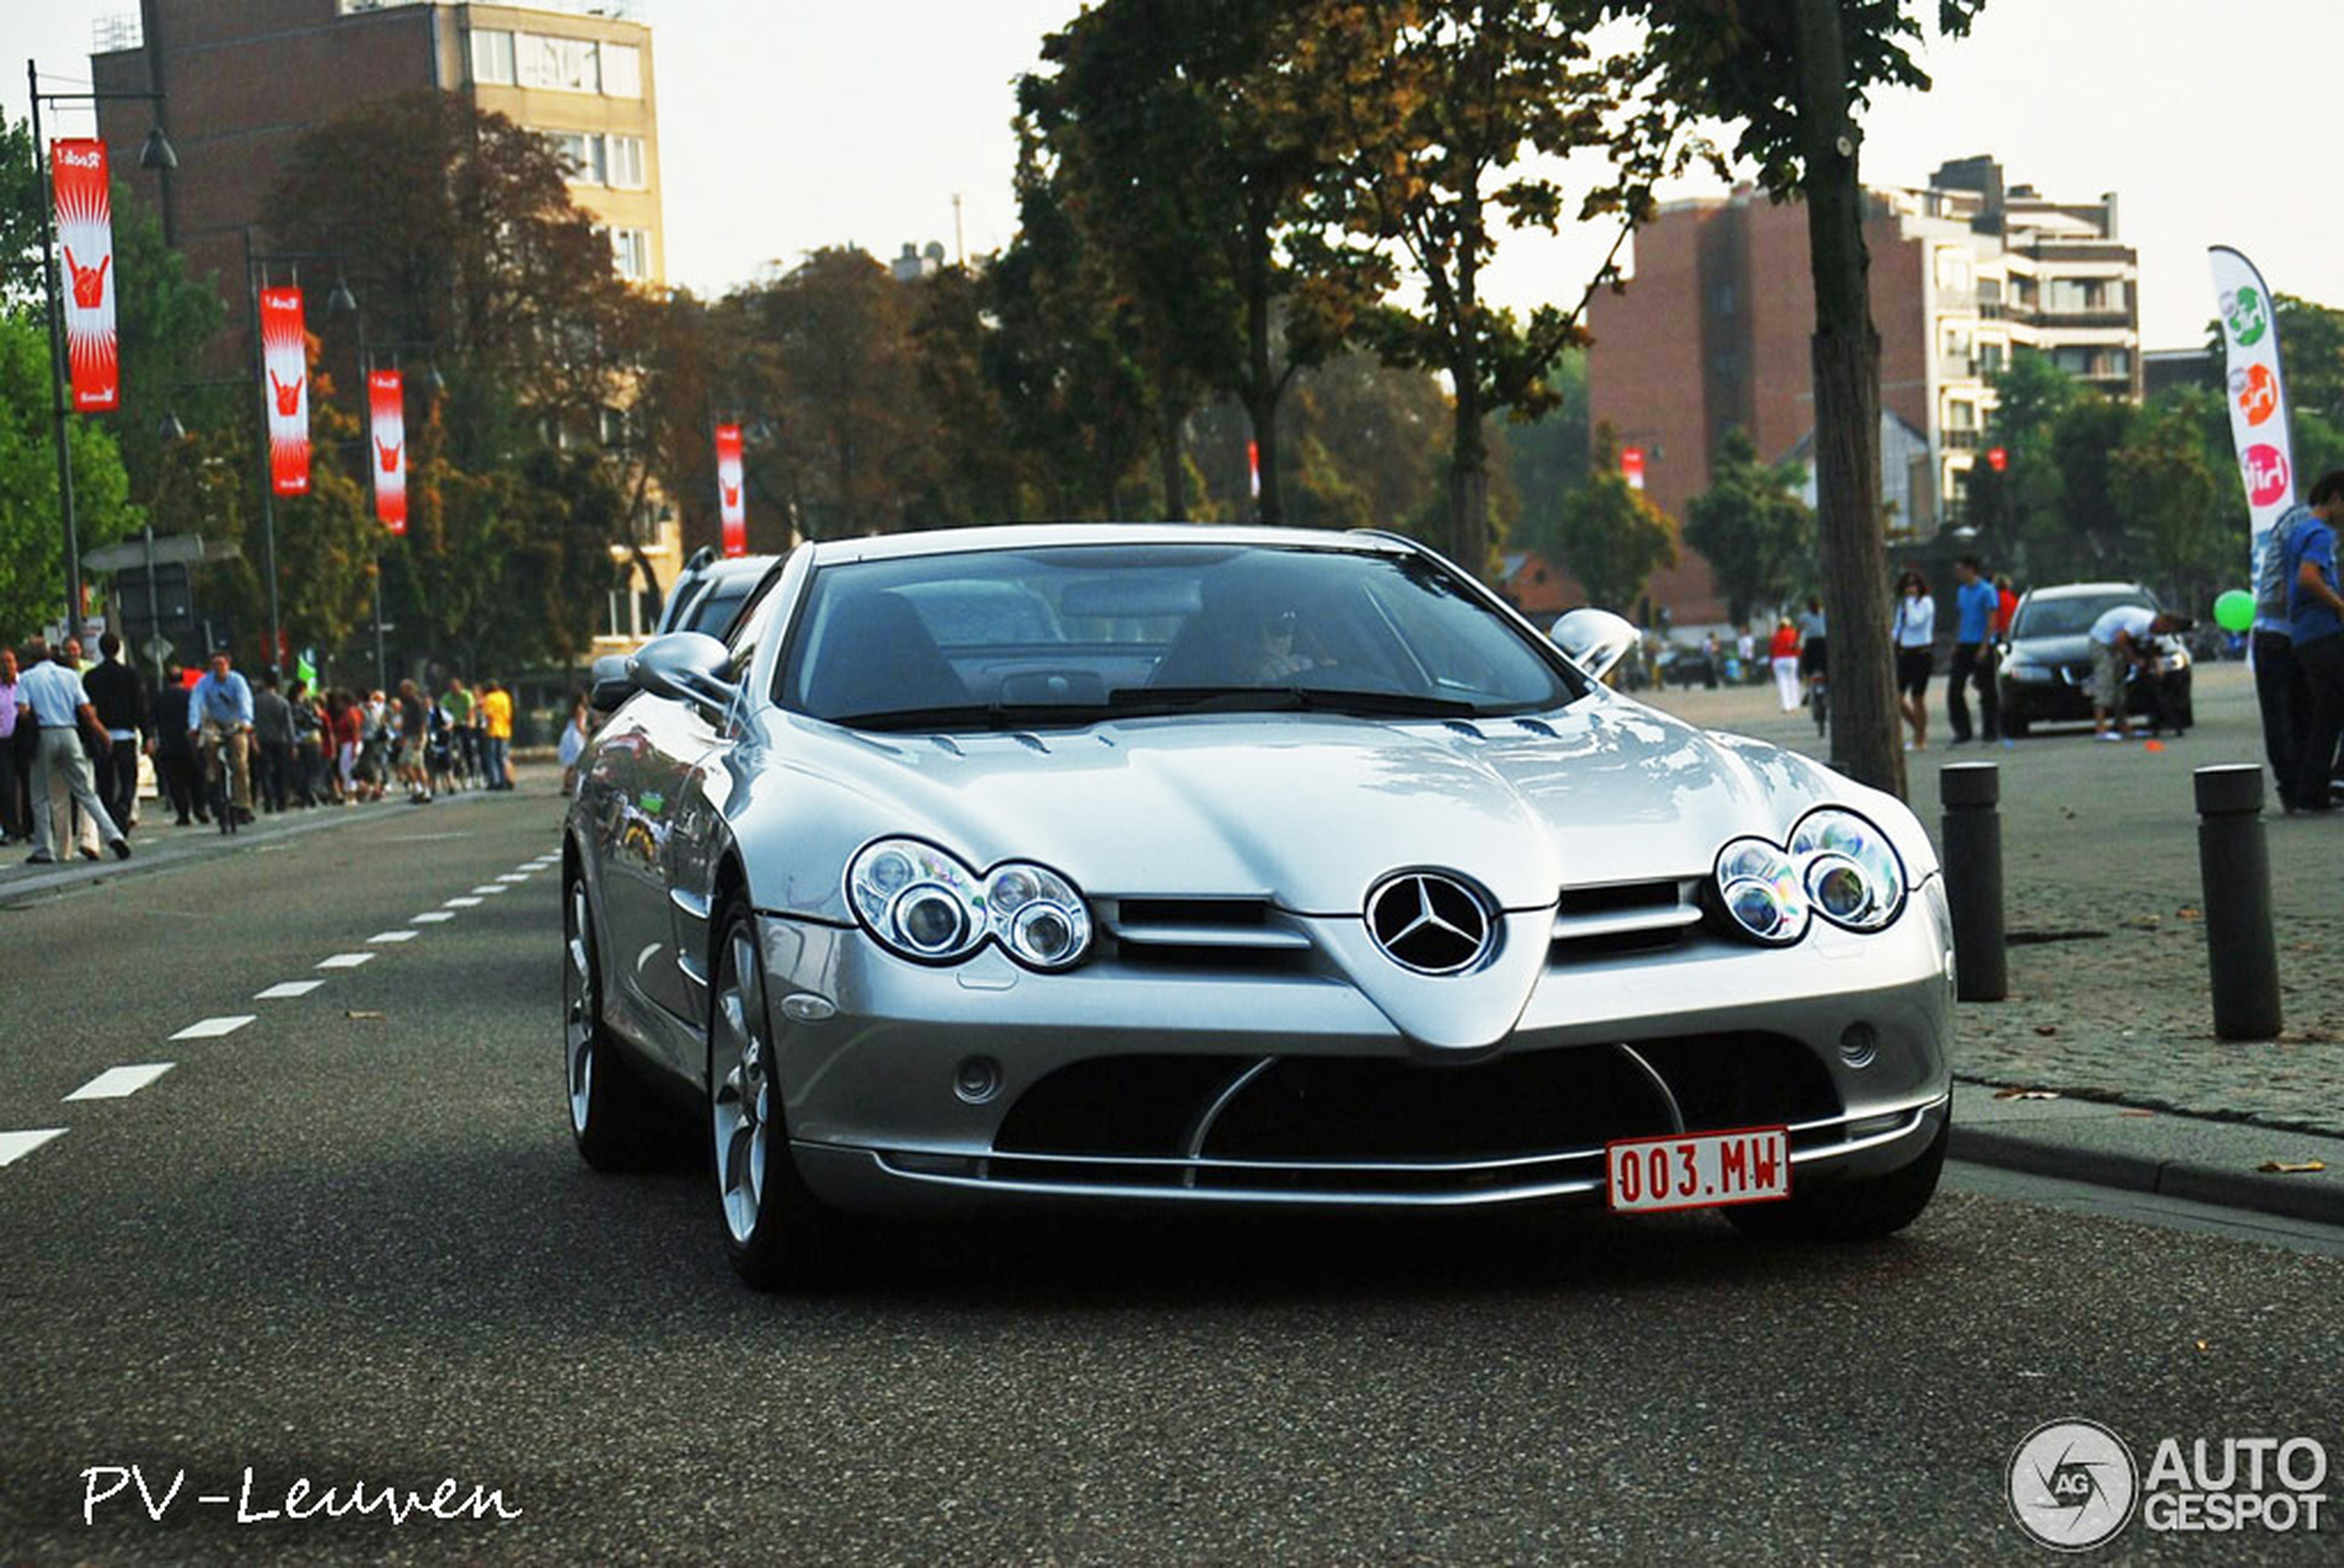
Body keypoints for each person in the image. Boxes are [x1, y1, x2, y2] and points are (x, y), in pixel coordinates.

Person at [14, 643, 128, 864]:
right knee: (86, 792)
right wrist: (103, 735)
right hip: (70, 733)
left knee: (40, 796)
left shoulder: (27, 678)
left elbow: (23, 711)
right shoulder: (69, 676)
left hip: (44, 736)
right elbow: (86, 710)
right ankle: (114, 835)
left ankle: (44, 848)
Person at [2281, 472, 2344, 810]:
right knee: (2330, 712)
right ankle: (2321, 786)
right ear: (2335, 498)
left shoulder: (2298, 530)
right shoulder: (2320, 533)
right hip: (2323, 633)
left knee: (2328, 714)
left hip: (2305, 634)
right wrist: (2339, 606)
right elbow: (2308, 577)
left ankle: (2314, 791)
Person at [2088, 604, 2193, 743]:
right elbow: (2120, 639)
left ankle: (2124, 728)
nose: (2165, 634)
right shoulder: (2140, 623)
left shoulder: (2152, 627)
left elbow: (2151, 648)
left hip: (2116, 644)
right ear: (2162, 623)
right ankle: (2100, 730)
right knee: (2106, 682)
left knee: (2120, 686)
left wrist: (2156, 666)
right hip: (2102, 641)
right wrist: (2135, 660)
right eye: (2166, 631)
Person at [81, 633, 146, 832]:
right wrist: (147, 733)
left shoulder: (91, 677)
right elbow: (139, 705)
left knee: (105, 781)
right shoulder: (131, 675)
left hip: (102, 735)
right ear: (118, 649)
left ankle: (111, 817)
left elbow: (86, 709)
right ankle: (124, 805)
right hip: (126, 734)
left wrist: (87, 736)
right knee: (129, 779)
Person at [187, 648, 256, 823]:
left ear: (228, 665)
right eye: (215, 665)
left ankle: (243, 805)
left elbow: (245, 702)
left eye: (222, 664)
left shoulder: (237, 681)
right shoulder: (204, 682)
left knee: (240, 763)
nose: (218, 668)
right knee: (209, 745)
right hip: (214, 722)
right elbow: (196, 702)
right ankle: (214, 785)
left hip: (235, 722)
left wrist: (246, 722)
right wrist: (194, 726)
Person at [1945, 555, 2001, 745]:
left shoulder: (1987, 590)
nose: (1957, 573)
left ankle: (1990, 731)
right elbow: (1962, 617)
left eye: (1960, 569)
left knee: (1987, 690)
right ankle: (1963, 731)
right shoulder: (1962, 591)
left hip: (1982, 643)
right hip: (1965, 643)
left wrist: (1985, 646)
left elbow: (1991, 619)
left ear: (1970, 569)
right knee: (1955, 689)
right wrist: (1955, 643)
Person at [1891, 569, 1936, 751]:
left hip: (1922, 653)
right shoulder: (1902, 606)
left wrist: (1910, 602)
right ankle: (1919, 728)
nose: (1911, 589)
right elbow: (1898, 627)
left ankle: (1919, 738)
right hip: (1905, 653)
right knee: (1897, 698)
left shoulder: (1925, 603)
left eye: (1914, 585)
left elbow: (1915, 622)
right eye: (1907, 585)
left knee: (1917, 697)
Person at [251, 669, 294, 814]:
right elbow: (288, 724)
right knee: (281, 772)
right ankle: (282, 801)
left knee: (265, 772)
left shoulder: (256, 701)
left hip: (263, 739)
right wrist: (292, 743)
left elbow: (252, 722)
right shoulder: (282, 702)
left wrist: (253, 739)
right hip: (280, 740)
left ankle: (268, 800)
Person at [557, 688, 592, 796]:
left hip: (569, 733)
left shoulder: (573, 710)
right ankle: (572, 785)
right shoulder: (581, 710)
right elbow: (580, 726)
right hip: (575, 736)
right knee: (576, 763)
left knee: (570, 765)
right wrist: (587, 735)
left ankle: (566, 785)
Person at [480, 678, 514, 789]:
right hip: (505, 730)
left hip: (493, 730)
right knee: (503, 756)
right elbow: (509, 713)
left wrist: (484, 728)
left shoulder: (489, 698)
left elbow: (488, 715)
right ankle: (507, 780)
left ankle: (495, 781)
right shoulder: (505, 696)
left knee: (492, 757)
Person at [1768, 614, 1801, 712]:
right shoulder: (1793, 633)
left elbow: (1771, 650)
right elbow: (1797, 646)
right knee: (1793, 681)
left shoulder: (1775, 636)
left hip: (1778, 660)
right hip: (1791, 659)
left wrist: (1770, 663)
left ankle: (1786, 706)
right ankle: (1795, 704)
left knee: (1782, 683)